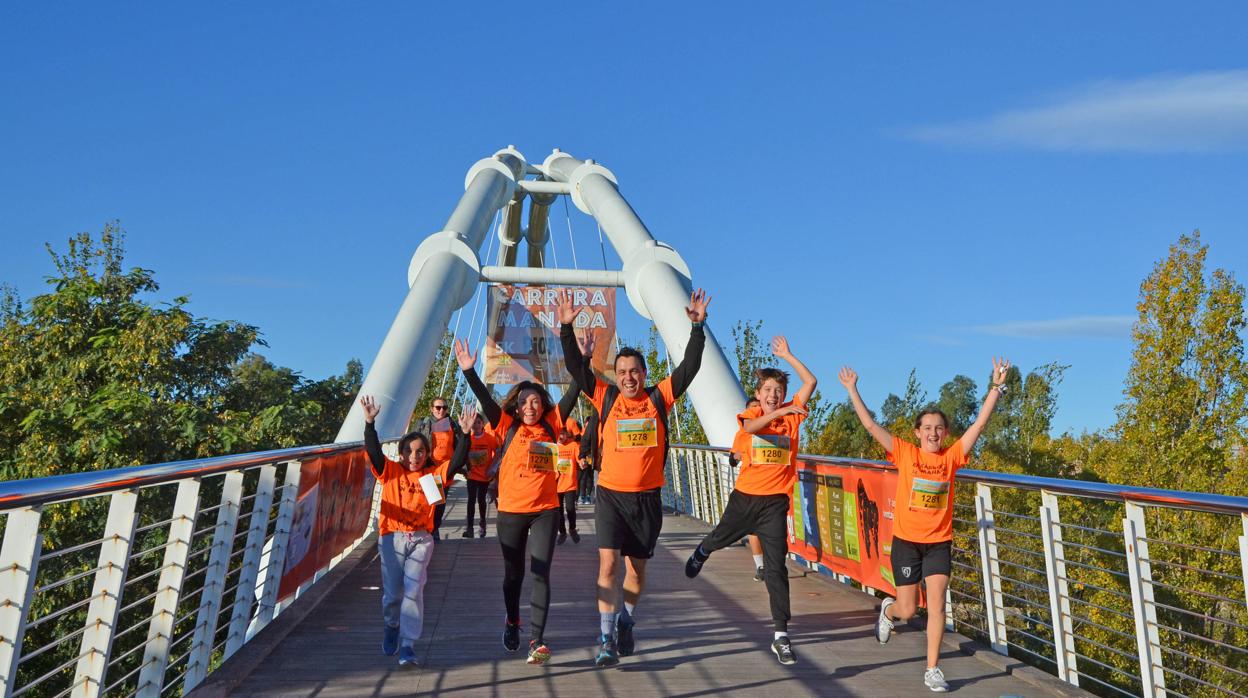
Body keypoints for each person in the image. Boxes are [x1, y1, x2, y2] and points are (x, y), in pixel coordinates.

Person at [558, 287, 711, 667]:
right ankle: (606, 638)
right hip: (611, 495)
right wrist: (565, 328)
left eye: (634, 372)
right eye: (622, 372)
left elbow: (689, 368)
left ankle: (626, 619)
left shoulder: (659, 398)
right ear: (617, 375)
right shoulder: (605, 396)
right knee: (608, 566)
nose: (628, 377)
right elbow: (577, 370)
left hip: (646, 499)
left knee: (636, 573)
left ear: (643, 374)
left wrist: (698, 328)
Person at [839, 358, 1010, 692]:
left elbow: (978, 426)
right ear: (917, 433)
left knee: (938, 604)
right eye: (927, 428)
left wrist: (996, 388)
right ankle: (888, 612)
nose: (933, 433)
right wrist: (852, 390)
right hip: (906, 543)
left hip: (938, 543)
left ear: (945, 433)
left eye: (939, 428)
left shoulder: (952, 457)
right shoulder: (905, 453)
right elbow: (873, 428)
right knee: (908, 609)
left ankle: (932, 668)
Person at [685, 337, 816, 665]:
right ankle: (703, 551)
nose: (774, 395)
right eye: (768, 390)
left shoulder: (792, 420)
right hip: (745, 498)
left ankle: (781, 635)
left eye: (779, 391)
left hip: (775, 503)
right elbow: (752, 428)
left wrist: (788, 355)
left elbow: (811, 381)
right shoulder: (751, 414)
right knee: (720, 537)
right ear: (759, 394)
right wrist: (783, 409)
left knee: (776, 569)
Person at [455, 338, 581, 666]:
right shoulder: (505, 424)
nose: (530, 407)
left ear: (544, 406)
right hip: (511, 510)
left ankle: (537, 640)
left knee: (540, 572)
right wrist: (469, 371)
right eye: (525, 402)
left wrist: (583, 358)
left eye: (536, 401)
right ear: (517, 405)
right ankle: (512, 620)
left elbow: (576, 388)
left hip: (545, 511)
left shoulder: (553, 425)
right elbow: (485, 396)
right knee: (514, 576)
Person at [361, 395, 472, 668]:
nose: (414, 456)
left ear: (427, 453)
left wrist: (466, 435)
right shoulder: (390, 471)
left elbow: (456, 463)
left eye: (420, 451)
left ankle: (408, 645)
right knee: (392, 595)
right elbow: (374, 451)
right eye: (409, 452)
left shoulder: (433, 475)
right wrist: (369, 423)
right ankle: (391, 625)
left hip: (421, 539)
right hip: (391, 538)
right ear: (401, 454)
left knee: (414, 590)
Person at [411, 397, 458, 541]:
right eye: (438, 407)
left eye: (444, 407)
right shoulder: (424, 424)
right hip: (429, 468)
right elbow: (411, 441)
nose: (441, 410)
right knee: (429, 501)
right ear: (432, 408)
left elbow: (459, 444)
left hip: (445, 470)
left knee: (440, 503)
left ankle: (434, 529)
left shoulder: (452, 425)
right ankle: (426, 529)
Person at [463, 412, 499, 539]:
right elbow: (462, 453)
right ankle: (469, 528)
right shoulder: (468, 438)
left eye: (479, 422)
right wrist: (465, 467)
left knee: (481, 500)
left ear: (482, 424)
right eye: (474, 423)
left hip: (484, 475)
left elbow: (499, 451)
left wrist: (492, 467)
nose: (476, 425)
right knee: (471, 500)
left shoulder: (489, 438)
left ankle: (482, 522)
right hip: (471, 475)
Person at [555, 418, 583, 544]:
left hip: (570, 484)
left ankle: (572, 529)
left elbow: (579, 458)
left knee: (571, 509)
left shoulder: (573, 445)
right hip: (555, 485)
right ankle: (562, 532)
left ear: (567, 434)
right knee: (558, 511)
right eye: (558, 433)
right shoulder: (551, 447)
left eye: (563, 433)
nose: (561, 436)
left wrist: (582, 462)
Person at [577, 411, 599, 504]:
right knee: (583, 478)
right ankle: (582, 496)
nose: (588, 425)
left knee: (590, 477)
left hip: (591, 456)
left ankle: (588, 496)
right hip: (583, 457)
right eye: (587, 423)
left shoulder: (595, 431)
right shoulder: (580, 434)